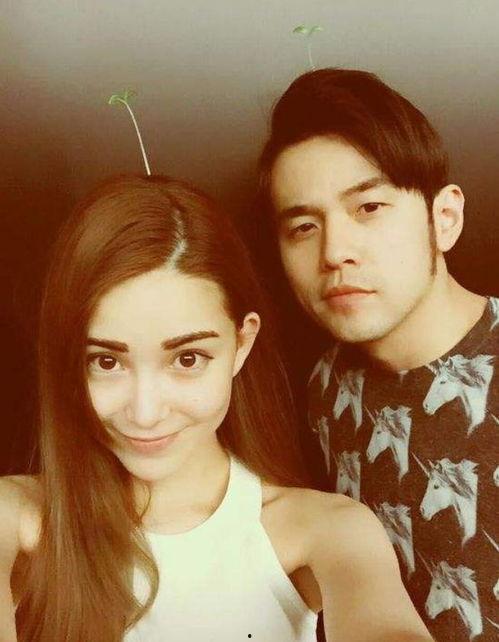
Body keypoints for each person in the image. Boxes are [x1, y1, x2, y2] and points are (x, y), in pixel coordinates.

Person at [0, 175, 432, 642]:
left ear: (241, 344)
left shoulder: (326, 532)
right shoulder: (16, 516)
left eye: (187, 359)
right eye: (106, 362)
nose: (145, 413)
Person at [257, 68, 499, 641]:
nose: (335, 252)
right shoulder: (324, 386)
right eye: (303, 226)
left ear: (444, 218)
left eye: (368, 207)